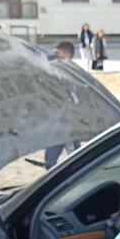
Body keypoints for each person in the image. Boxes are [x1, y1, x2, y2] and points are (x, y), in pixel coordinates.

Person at [44, 41, 80, 169]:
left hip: (67, 122)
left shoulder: (71, 73)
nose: (53, 56)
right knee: (50, 159)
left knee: (75, 156)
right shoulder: (56, 71)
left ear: (67, 55)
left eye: (57, 53)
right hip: (56, 122)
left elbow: (75, 98)